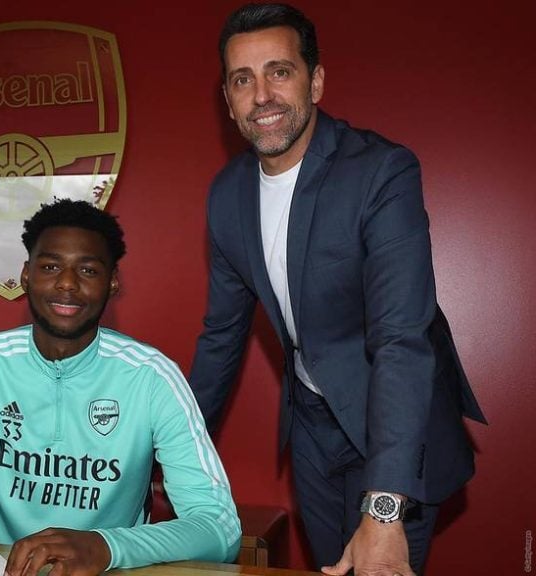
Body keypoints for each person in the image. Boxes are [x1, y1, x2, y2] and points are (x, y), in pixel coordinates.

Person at [187, 4, 486, 576]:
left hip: (394, 426)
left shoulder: (381, 171)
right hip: (310, 429)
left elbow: (402, 338)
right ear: (227, 100)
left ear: (316, 81)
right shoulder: (226, 195)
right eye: (242, 80)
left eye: (279, 72)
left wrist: (385, 504)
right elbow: (221, 337)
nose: (262, 96)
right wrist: (175, 450)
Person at [0, 198, 240, 576]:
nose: (67, 283)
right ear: (26, 275)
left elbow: (219, 527)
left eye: (88, 270)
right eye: (50, 266)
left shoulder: (152, 377)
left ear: (112, 282)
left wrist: (105, 547)